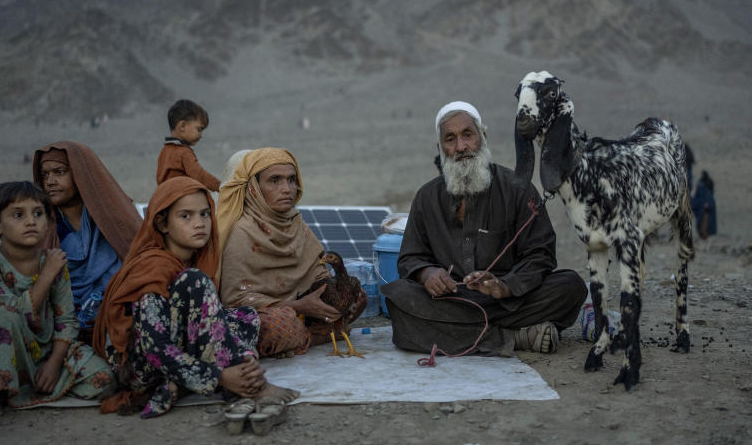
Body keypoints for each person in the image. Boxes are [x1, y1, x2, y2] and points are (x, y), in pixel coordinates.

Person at [382, 101, 587, 356]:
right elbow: (410, 257)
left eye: (468, 135)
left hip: (508, 300)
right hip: (451, 299)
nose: (461, 147)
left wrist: (505, 286)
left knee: (571, 285)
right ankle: (512, 336)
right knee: (397, 296)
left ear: (483, 137)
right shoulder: (426, 197)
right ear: (440, 148)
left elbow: (541, 255)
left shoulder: (517, 189)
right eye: (450, 139)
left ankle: (460, 333)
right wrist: (427, 273)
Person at [93, 176, 298, 419]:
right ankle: (249, 386)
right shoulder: (152, 269)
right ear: (162, 224)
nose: (199, 223)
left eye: (204, 214)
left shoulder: (195, 259)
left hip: (174, 352)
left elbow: (208, 321)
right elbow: (154, 347)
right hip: (141, 368)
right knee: (195, 281)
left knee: (246, 316)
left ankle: (218, 380)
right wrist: (219, 376)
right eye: (186, 216)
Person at [0, 182, 116, 418]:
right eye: (18, 215)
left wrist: (55, 363)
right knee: (3, 315)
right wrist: (47, 274)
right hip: (8, 351)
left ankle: (37, 384)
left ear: (48, 223)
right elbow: (15, 314)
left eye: (38, 214)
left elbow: (66, 319)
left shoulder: (54, 260)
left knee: (104, 378)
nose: (31, 222)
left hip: (47, 349)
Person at [217, 148, 367, 358]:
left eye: (291, 180)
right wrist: (299, 306)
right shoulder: (241, 232)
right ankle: (312, 338)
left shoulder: (295, 223)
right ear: (254, 188)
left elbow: (318, 274)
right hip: (267, 315)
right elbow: (235, 300)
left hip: (308, 309)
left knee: (357, 296)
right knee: (279, 327)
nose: (287, 189)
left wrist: (329, 294)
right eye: (275, 180)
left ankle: (304, 335)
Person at [33, 141, 142, 340]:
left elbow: (141, 261)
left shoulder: (113, 215)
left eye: (59, 172)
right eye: (45, 175)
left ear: (81, 173)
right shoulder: (42, 227)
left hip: (119, 306)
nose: (49, 181)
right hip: (66, 319)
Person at [156, 99, 221, 191]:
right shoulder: (183, 152)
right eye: (199, 129)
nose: (201, 135)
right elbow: (199, 175)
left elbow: (159, 178)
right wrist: (221, 186)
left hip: (163, 195)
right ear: (182, 126)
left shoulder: (164, 151)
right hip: (182, 194)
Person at [691, 170, 717, 238]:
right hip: (701, 206)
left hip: (706, 208)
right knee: (700, 222)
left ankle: (705, 234)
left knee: (706, 223)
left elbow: (709, 195)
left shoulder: (708, 183)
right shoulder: (700, 183)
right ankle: (702, 234)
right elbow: (697, 195)